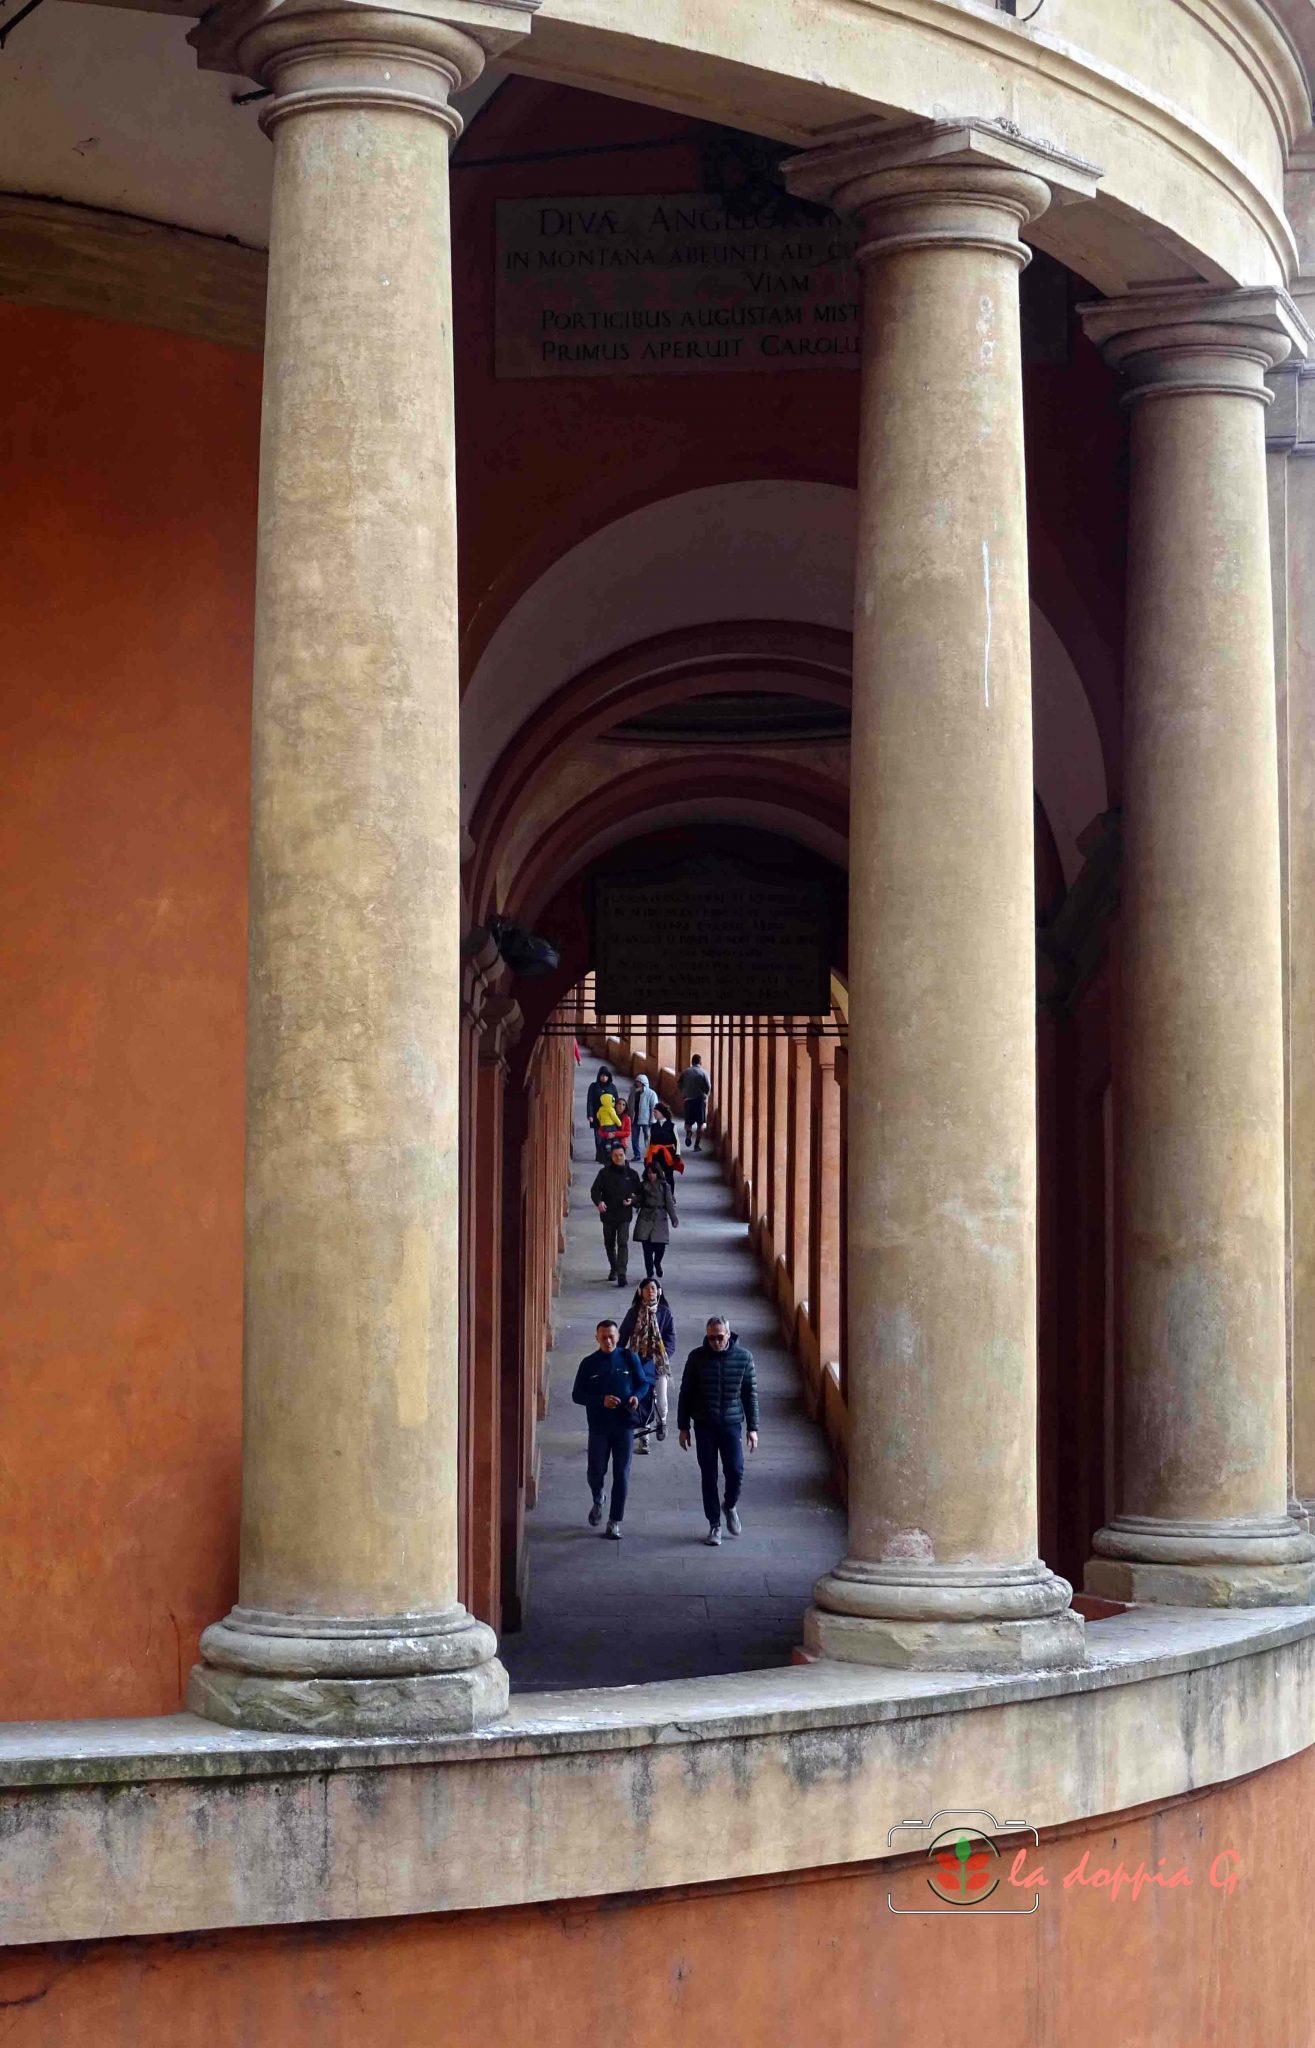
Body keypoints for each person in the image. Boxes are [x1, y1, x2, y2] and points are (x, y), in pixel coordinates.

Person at [677, 1315, 759, 1545]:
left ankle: (730, 1504)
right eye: (711, 1337)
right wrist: (683, 1426)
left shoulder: (744, 1358)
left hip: (731, 1424)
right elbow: (686, 1393)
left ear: (728, 1334)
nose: (715, 1342)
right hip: (704, 1424)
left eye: (719, 1337)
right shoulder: (697, 1358)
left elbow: (750, 1394)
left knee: (735, 1470)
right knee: (708, 1474)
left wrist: (753, 1427)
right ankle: (714, 1524)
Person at [571, 1319, 651, 1539]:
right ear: (597, 1338)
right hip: (598, 1426)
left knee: (622, 1473)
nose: (608, 1340)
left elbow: (643, 1383)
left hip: (624, 1425)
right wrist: (600, 1401)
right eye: (603, 1336)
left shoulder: (629, 1358)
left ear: (618, 1337)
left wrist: (636, 1396)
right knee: (595, 1471)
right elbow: (577, 1395)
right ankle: (598, 1497)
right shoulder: (589, 1363)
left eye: (612, 1336)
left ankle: (615, 1520)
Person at [620, 1275, 676, 1452]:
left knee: (661, 1398)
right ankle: (644, 1438)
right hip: (637, 1362)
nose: (650, 1291)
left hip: (658, 1363)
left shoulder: (665, 1313)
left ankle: (662, 1421)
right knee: (641, 1399)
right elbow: (622, 1335)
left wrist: (661, 1354)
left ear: (658, 1292)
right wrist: (619, 1355)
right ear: (640, 1292)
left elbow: (671, 1339)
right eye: (646, 1288)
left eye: (653, 1288)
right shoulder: (634, 1312)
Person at [590, 1142, 643, 1285]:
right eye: (615, 1155)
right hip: (608, 1214)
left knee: (622, 1242)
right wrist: (599, 1202)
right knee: (609, 1243)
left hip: (624, 1214)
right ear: (611, 1157)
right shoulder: (604, 1173)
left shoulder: (632, 1175)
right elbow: (595, 1191)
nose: (618, 1158)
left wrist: (632, 1200)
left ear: (625, 1155)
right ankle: (613, 1267)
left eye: (621, 1155)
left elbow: (640, 1194)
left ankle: (622, 1273)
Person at [632, 1161, 678, 1281]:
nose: (651, 1175)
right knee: (646, 1249)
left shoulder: (664, 1187)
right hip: (645, 1218)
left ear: (658, 1174)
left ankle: (657, 1263)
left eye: (653, 1173)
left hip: (660, 1218)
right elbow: (637, 1199)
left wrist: (674, 1218)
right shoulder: (643, 1186)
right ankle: (650, 1273)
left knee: (660, 1248)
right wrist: (632, 1202)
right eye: (649, 1173)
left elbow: (669, 1204)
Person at [645, 1103, 684, 1188]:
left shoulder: (671, 1126)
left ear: (661, 1112)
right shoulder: (653, 1126)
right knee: (656, 1175)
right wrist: (646, 1156)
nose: (654, 1114)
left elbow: (676, 1141)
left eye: (655, 1112)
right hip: (656, 1154)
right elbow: (650, 1143)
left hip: (668, 1154)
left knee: (669, 1176)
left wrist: (677, 1154)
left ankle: (671, 1195)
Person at [678, 1052, 711, 1150]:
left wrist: (685, 1092)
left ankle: (688, 1132)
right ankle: (696, 1145)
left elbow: (679, 1084)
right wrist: (706, 1095)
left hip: (688, 1100)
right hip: (700, 1100)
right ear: (700, 1062)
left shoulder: (685, 1072)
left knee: (688, 1123)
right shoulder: (704, 1073)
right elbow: (708, 1087)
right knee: (700, 1124)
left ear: (692, 1062)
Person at [628, 1071, 658, 1161]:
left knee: (648, 1138)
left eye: (639, 1082)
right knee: (634, 1138)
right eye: (636, 1082)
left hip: (646, 1120)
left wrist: (652, 1120)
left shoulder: (651, 1094)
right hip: (634, 1118)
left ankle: (649, 1155)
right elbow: (630, 1104)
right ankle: (637, 1154)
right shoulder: (633, 1093)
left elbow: (654, 1107)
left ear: (644, 1083)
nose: (637, 1084)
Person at [593, 1083, 626, 1163]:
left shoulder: (601, 1109)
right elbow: (615, 1117)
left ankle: (606, 1155)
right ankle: (613, 1149)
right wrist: (619, 1124)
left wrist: (601, 1121)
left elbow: (598, 1116)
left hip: (604, 1127)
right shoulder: (611, 1109)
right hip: (611, 1126)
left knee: (606, 1141)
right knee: (614, 1139)